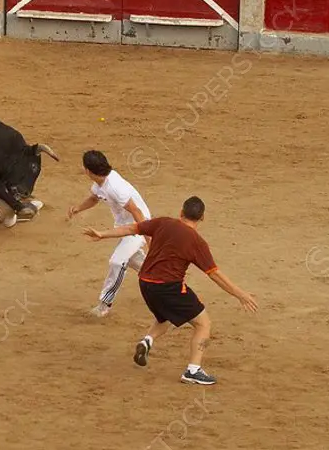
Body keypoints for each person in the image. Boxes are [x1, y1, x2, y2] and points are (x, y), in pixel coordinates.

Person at [82, 196, 258, 385]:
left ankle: (147, 341)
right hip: (168, 287)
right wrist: (241, 295)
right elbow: (214, 274)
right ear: (202, 218)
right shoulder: (197, 242)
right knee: (203, 324)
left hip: (145, 283)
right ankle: (193, 370)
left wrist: (102, 234)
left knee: (166, 316)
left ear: (181, 212)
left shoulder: (163, 223)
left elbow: (132, 228)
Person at [67, 150, 151, 318]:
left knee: (117, 262)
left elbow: (136, 212)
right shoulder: (101, 183)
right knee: (135, 261)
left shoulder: (115, 187)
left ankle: (105, 304)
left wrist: (149, 240)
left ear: (88, 171)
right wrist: (78, 208)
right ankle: (164, 279)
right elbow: (94, 198)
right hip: (124, 226)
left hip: (137, 226)